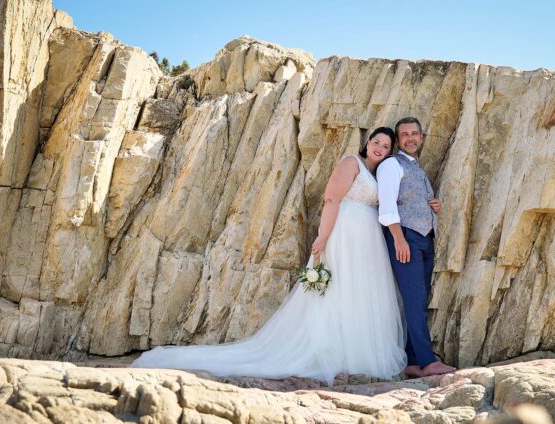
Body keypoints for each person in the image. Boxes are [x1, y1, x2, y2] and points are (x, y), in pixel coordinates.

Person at [131, 128, 407, 385]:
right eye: (376, 142)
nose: (380, 148)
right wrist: (323, 237)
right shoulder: (351, 163)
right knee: (335, 292)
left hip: (367, 243)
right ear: (367, 142)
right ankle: (330, 351)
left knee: (357, 293)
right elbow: (331, 199)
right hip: (344, 235)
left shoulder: (379, 174)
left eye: (386, 145)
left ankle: (355, 351)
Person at [377, 117, 456, 377]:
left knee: (419, 300)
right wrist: (399, 239)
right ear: (398, 140)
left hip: (424, 239)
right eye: (404, 135)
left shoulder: (417, 168)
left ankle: (413, 361)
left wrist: (431, 204)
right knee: (413, 299)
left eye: (415, 134)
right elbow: (387, 207)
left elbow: (407, 198)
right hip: (406, 239)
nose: (410, 138)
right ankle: (427, 360)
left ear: (421, 137)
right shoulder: (391, 165)